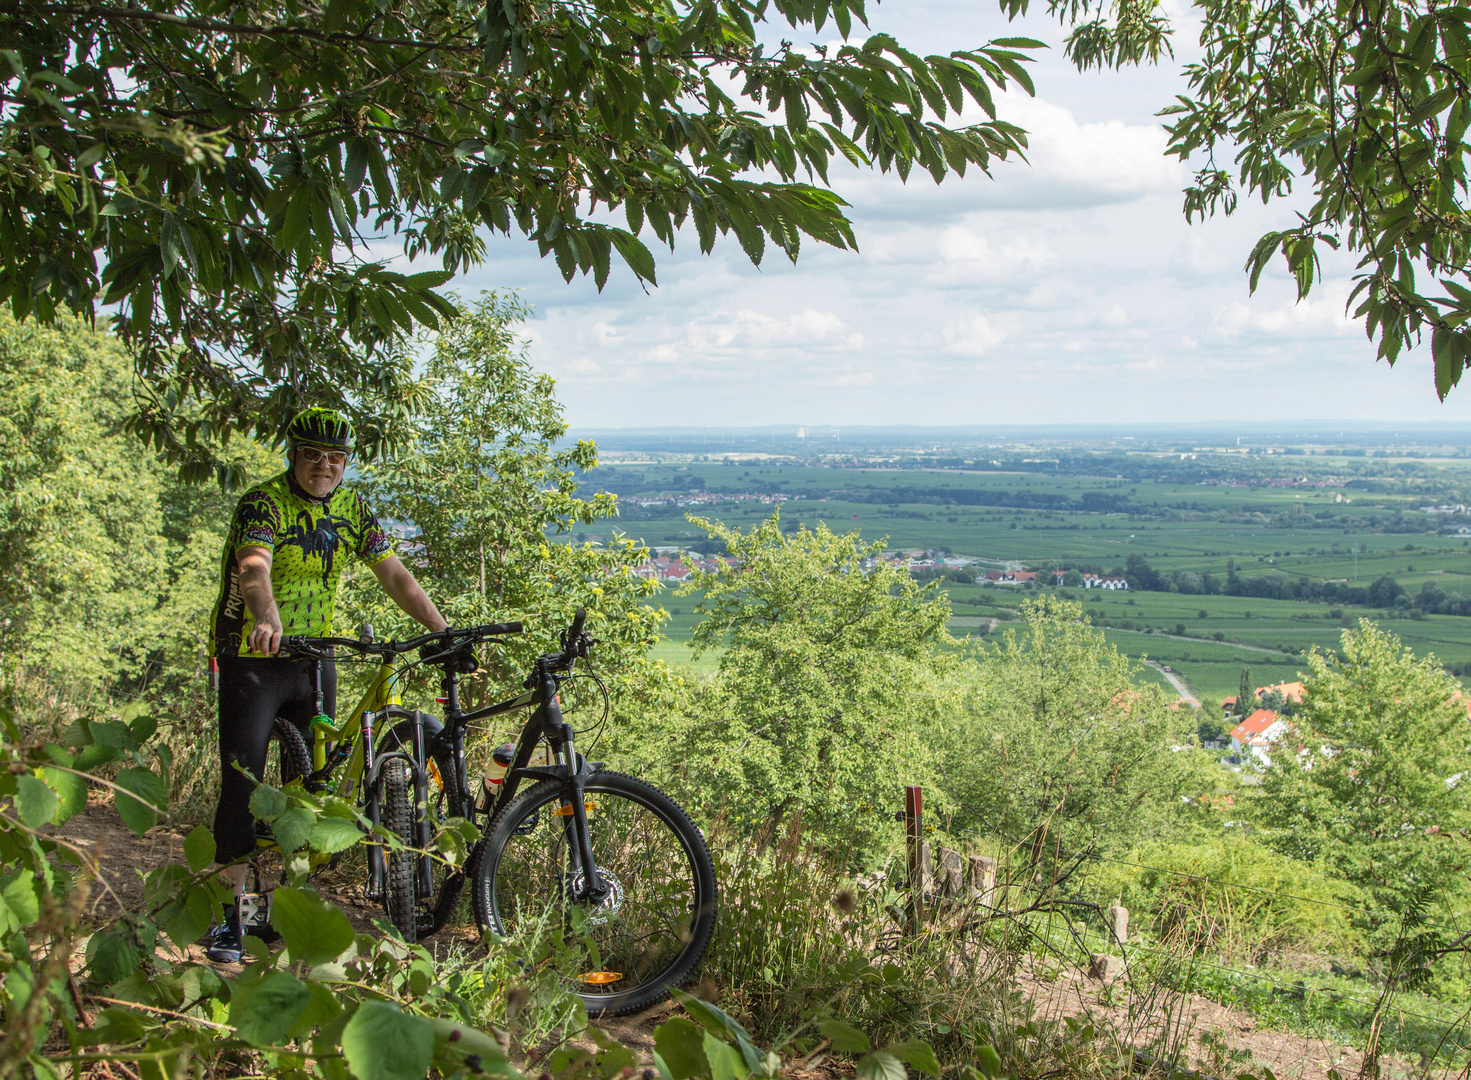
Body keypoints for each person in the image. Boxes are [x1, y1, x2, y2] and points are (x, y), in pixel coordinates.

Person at [204, 408, 447, 963]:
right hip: (254, 656)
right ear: (294, 454)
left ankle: (286, 912)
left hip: (316, 655)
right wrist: (264, 615)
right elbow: (253, 569)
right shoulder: (263, 503)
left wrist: (442, 631)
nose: (324, 466)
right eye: (313, 455)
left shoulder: (352, 508)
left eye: (335, 457)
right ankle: (227, 917)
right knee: (242, 783)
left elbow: (395, 575)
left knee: (310, 793)